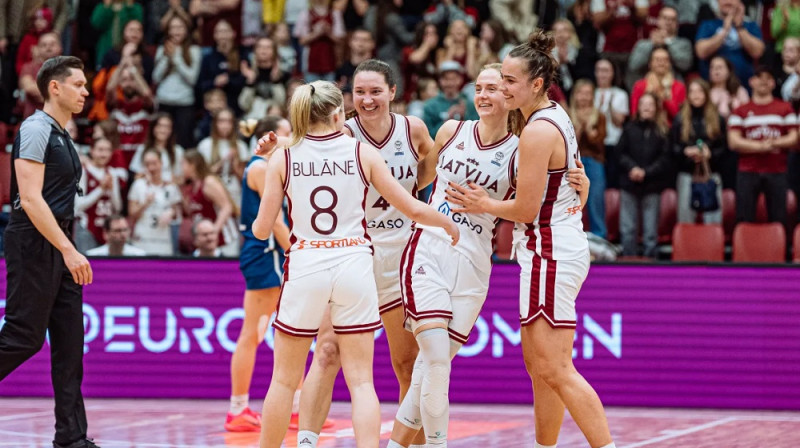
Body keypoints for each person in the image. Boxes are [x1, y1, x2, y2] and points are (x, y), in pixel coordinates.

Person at [251, 80, 458, 448]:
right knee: (362, 381)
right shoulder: (362, 152)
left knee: (283, 380)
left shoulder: (283, 157)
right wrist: (445, 221)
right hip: (354, 264)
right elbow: (410, 205)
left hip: (307, 263)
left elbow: (263, 227)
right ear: (337, 114)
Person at [447, 31, 616, 448]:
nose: (502, 88)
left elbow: (524, 210)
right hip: (553, 246)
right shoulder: (553, 113)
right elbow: (574, 174)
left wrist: (481, 203)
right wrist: (583, 189)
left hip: (549, 249)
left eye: (509, 81)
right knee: (539, 365)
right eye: (499, 78)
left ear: (536, 84)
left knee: (556, 368)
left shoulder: (538, 131)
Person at [385, 62, 523, 448]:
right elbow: (418, 182)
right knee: (436, 362)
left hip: (476, 265)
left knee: (430, 369)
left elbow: (527, 209)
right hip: (429, 248)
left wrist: (489, 205)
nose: (483, 95)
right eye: (478, 88)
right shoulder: (451, 131)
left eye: (492, 88)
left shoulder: (519, 151)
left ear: (509, 95)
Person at [0, 55, 100, 448]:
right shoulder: (35, 128)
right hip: (36, 241)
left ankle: (72, 438)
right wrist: (68, 250)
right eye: (78, 84)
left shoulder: (62, 133)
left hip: (60, 241)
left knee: (69, 344)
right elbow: (29, 199)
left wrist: (67, 247)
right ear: (54, 87)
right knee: (24, 337)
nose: (86, 92)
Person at [224, 119, 291, 432]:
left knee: (291, 333)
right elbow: (275, 220)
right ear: (270, 136)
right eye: (286, 132)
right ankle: (237, 409)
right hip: (268, 255)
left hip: (270, 255)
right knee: (253, 332)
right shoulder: (262, 168)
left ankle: (294, 409)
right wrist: (295, 250)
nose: (292, 137)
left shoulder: (270, 167)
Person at [728, 67, 798, 224]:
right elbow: (733, 141)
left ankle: (780, 248)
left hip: (777, 170)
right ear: (751, 81)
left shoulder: (785, 108)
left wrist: (772, 143)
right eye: (759, 77)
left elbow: (794, 138)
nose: (763, 81)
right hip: (748, 171)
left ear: (774, 83)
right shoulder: (740, 111)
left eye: (768, 78)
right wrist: (761, 147)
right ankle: (744, 248)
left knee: (779, 219)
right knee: (744, 219)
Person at [617, 93, 673, 258]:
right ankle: (627, 263)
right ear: (638, 107)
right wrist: (632, 168)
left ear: (656, 108)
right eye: (643, 104)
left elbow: (665, 158)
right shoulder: (629, 128)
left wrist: (646, 172)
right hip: (629, 184)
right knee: (627, 229)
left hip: (652, 185)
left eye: (650, 104)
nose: (647, 107)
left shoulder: (662, 131)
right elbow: (620, 154)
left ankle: (650, 267)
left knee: (650, 232)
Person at [671, 78, 726, 224]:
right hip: (687, 173)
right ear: (687, 95)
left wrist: (710, 154)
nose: (696, 95)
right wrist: (686, 151)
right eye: (692, 92)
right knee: (685, 219)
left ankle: (713, 246)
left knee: (713, 219)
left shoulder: (718, 118)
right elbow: (673, 147)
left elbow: (724, 147)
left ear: (706, 94)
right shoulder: (680, 119)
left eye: (700, 91)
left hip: (711, 173)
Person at [74, 137, 126, 253]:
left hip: (108, 230)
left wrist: (112, 189)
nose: (104, 154)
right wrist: (101, 189)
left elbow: (117, 207)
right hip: (86, 229)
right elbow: (78, 206)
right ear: (92, 151)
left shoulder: (112, 173)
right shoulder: (83, 172)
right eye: (100, 150)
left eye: (107, 150)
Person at [570, 79, 607, 240]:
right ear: (575, 95)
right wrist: (578, 132)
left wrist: (591, 136)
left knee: (595, 200)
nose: (584, 97)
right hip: (572, 164)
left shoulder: (599, 116)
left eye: (588, 94)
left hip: (593, 161)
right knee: (569, 200)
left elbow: (601, 143)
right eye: (581, 93)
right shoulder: (566, 114)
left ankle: (599, 237)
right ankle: (570, 235)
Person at [695, 0, 764, 85]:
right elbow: (701, 52)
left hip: (744, 86)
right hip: (712, 89)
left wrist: (739, 27)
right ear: (717, 2)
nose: (728, 1)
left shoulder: (751, 26)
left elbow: (757, 52)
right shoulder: (707, 25)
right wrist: (724, 30)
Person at [127, 148, 182, 256]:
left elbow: (178, 214)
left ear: (161, 163)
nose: (151, 167)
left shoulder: (171, 186)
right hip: (142, 241)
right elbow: (132, 215)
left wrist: (171, 212)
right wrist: (145, 203)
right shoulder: (138, 185)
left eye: (154, 163)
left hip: (164, 242)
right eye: (147, 164)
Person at [626, 5, 692, 88]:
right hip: (647, 89)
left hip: (673, 89)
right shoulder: (642, 43)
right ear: (658, 20)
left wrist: (666, 43)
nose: (668, 22)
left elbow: (684, 65)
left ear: (677, 24)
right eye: (665, 18)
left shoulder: (684, 44)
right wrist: (652, 44)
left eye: (672, 19)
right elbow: (634, 65)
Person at [630, 46, 686, 124]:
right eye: (657, 60)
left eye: (665, 60)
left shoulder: (679, 86)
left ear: (670, 64)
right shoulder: (640, 85)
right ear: (650, 63)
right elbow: (634, 113)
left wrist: (663, 97)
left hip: (670, 130)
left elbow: (679, 116)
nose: (661, 63)